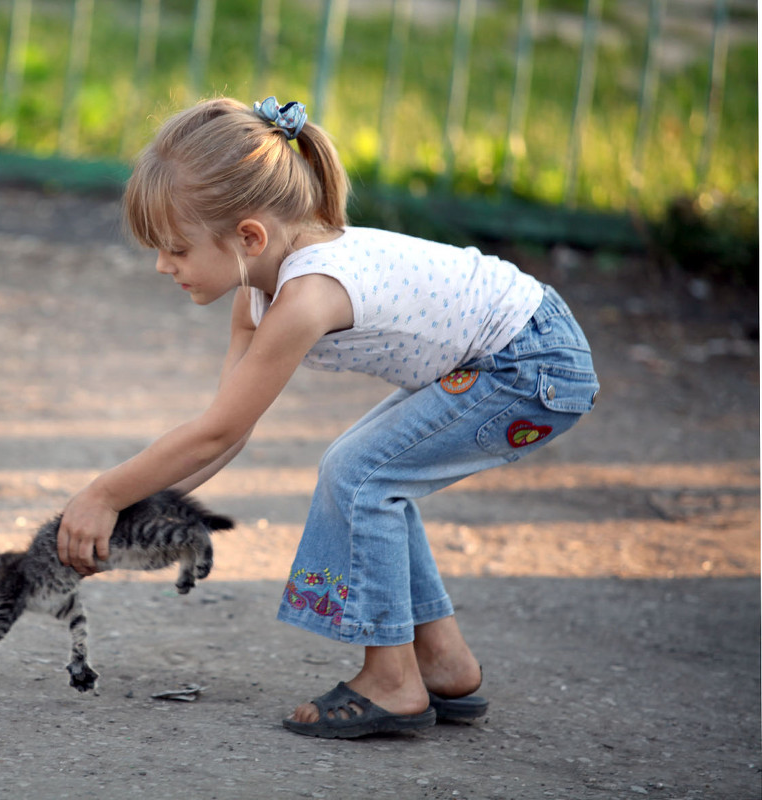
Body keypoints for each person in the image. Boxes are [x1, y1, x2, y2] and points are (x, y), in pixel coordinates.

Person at [56, 96, 599, 738]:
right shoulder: (258, 290)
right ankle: (444, 664)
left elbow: (218, 433)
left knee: (361, 475)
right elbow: (226, 427)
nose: (161, 265)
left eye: (175, 249)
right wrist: (133, 507)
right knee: (369, 473)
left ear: (248, 237)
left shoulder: (309, 295)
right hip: (509, 354)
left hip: (532, 366)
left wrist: (103, 493)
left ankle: (394, 683)